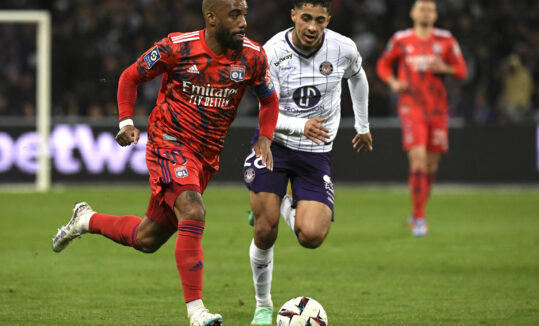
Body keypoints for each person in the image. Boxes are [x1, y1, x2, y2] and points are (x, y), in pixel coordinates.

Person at [51, 1, 279, 325]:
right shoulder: (176, 47)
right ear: (212, 18)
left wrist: (266, 137)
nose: (243, 22)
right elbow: (130, 77)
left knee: (147, 238)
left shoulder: (253, 56)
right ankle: (197, 311)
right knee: (193, 209)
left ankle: (86, 219)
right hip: (168, 141)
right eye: (235, 15)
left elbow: (269, 100)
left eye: (244, 13)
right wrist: (126, 121)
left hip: (206, 156)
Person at [242, 0, 372, 324]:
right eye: (305, 19)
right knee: (265, 229)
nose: (312, 27)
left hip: (316, 154)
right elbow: (264, 110)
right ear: (293, 17)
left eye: (319, 20)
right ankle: (262, 305)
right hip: (275, 145)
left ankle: (279, 200)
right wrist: (301, 126)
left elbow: (358, 78)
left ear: (328, 19)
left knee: (311, 236)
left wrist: (363, 126)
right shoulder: (271, 53)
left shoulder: (343, 49)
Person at [376, 0, 467, 237]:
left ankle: (416, 213)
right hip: (411, 106)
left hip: (437, 109)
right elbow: (383, 65)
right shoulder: (401, 39)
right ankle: (419, 217)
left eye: (430, 9)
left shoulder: (446, 40)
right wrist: (394, 82)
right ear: (412, 13)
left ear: (436, 15)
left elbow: (462, 71)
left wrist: (444, 68)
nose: (425, 12)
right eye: (421, 8)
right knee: (417, 160)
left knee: (431, 165)